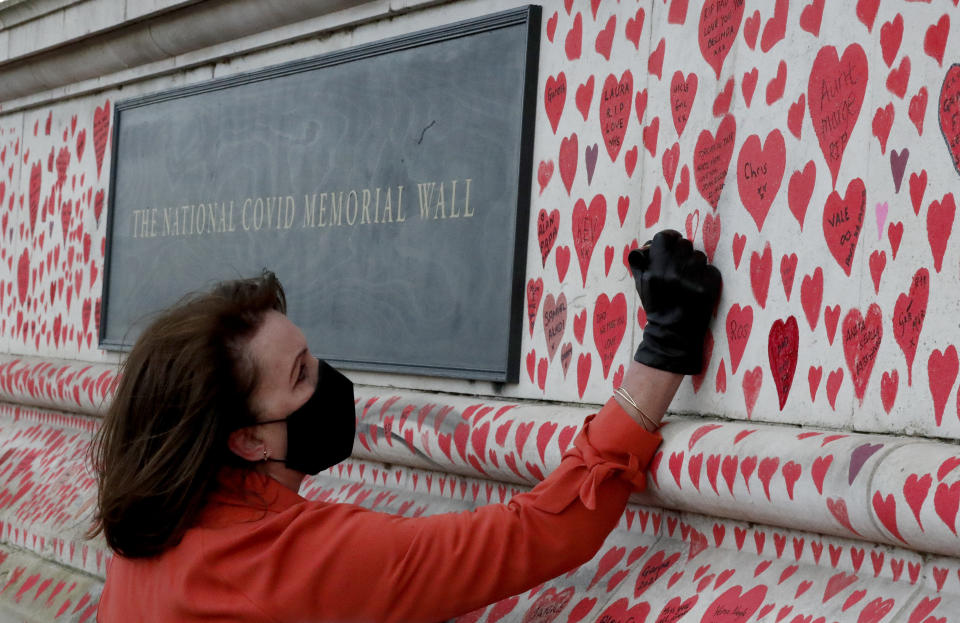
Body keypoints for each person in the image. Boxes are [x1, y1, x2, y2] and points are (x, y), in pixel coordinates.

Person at [92, 229, 720, 622]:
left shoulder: (147, 536)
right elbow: (535, 535)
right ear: (248, 439)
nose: (329, 380)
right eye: (303, 374)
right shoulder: (295, 564)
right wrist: (663, 350)